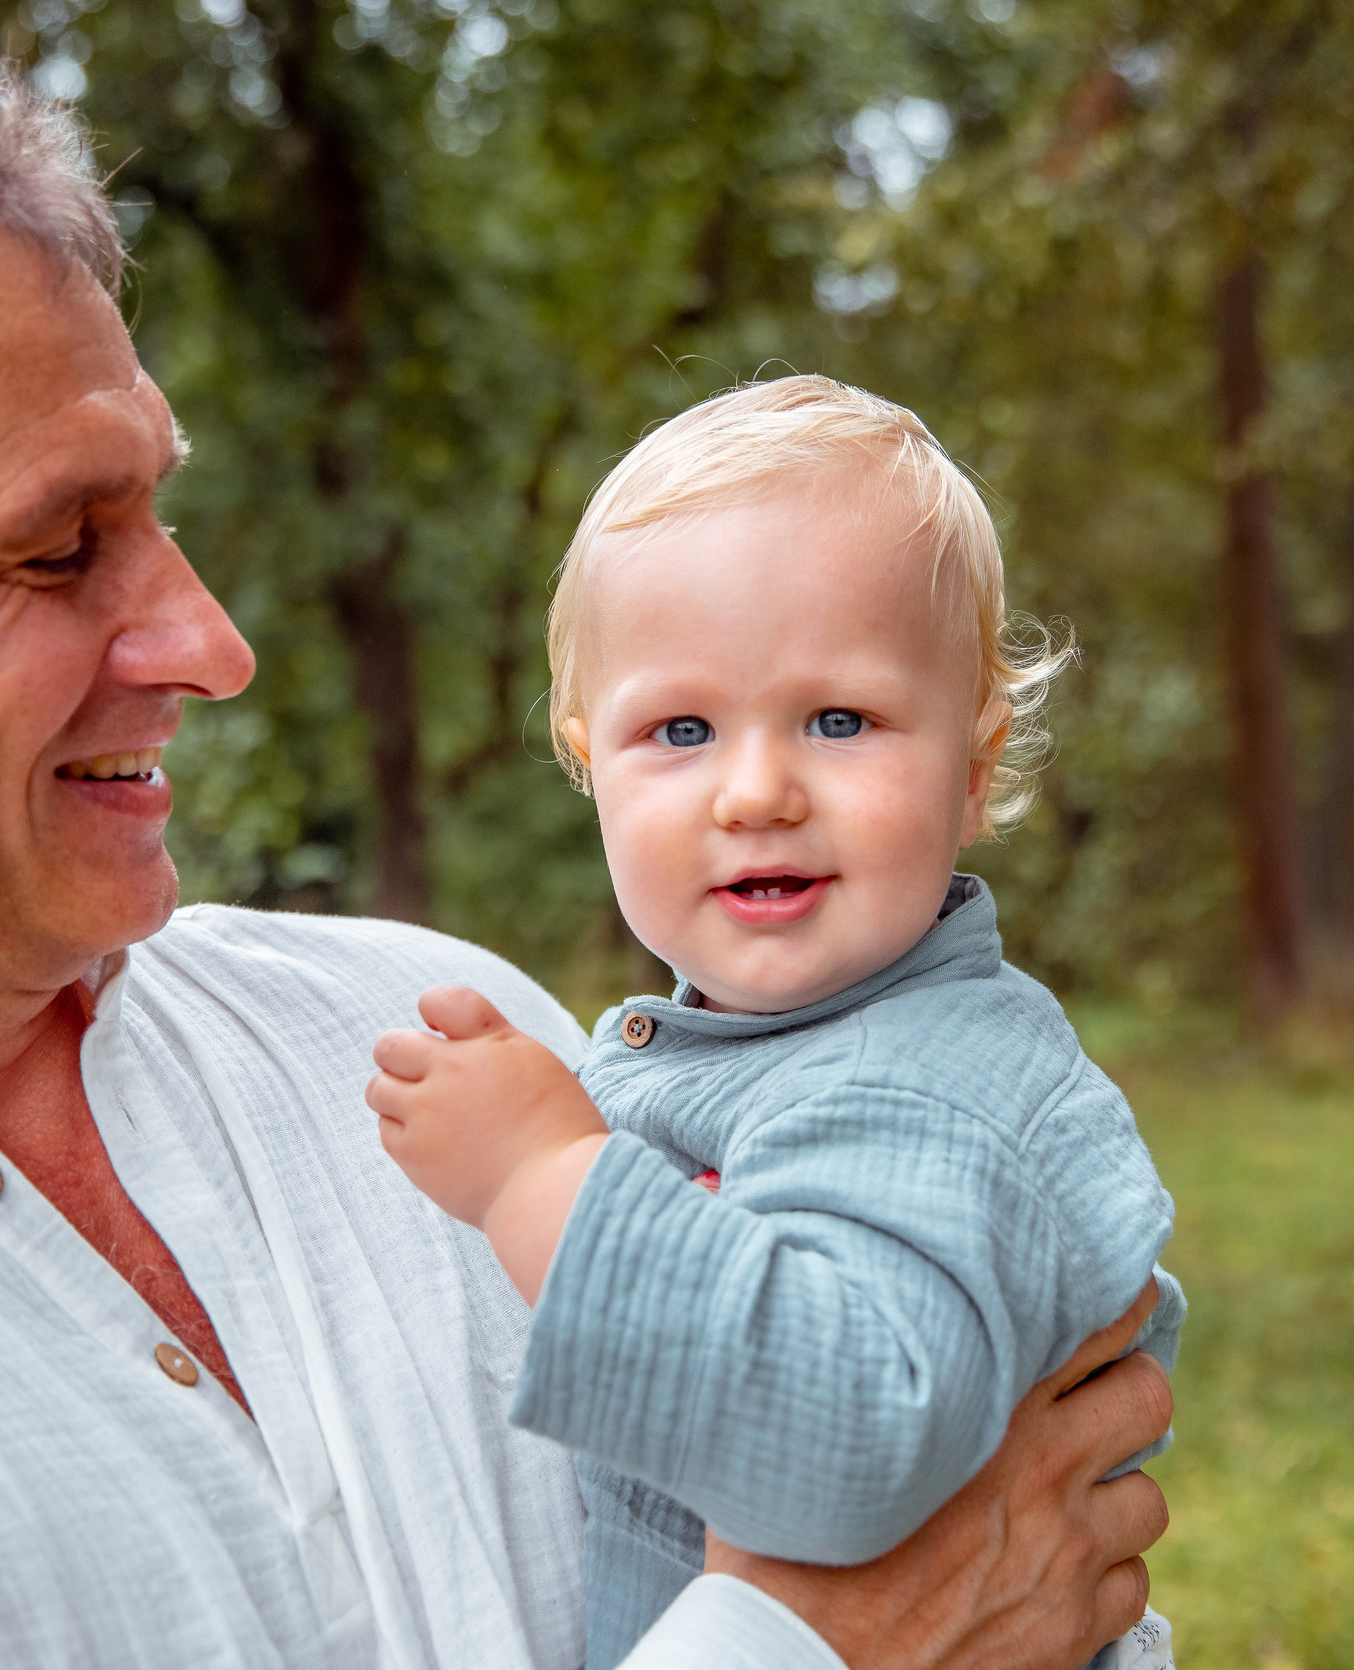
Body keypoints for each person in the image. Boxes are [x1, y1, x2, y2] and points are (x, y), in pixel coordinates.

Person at [0, 22, 1171, 1669]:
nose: (207, 643)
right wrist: (835, 1644)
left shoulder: (431, 1033)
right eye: (56, 548)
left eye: (158, 516)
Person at [364, 378, 1182, 1670]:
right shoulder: (766, 1051)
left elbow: (848, 1448)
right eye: (678, 730)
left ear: (973, 767)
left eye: (839, 721)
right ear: (590, 765)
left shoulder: (928, 1086)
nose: (756, 792)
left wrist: (540, 1178)